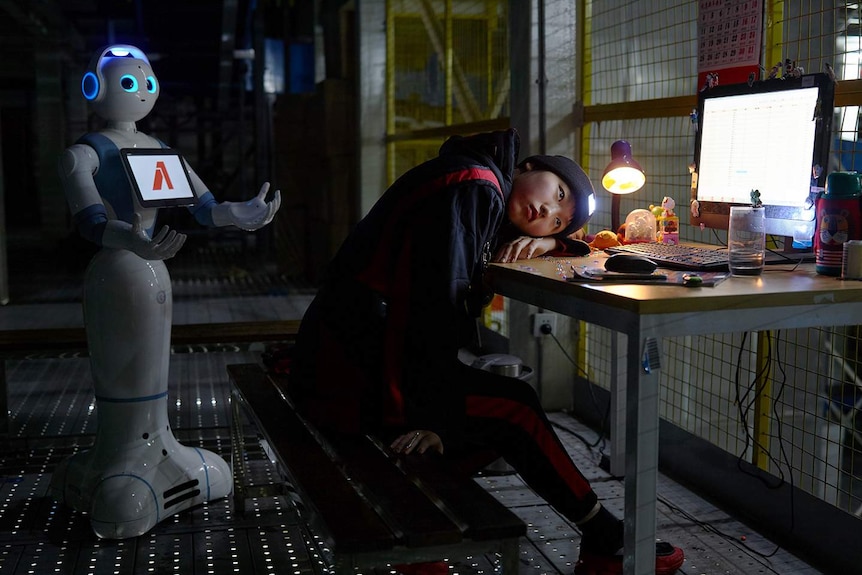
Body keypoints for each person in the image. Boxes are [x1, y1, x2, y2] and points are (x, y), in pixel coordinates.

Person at [289, 128, 684, 574]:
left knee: (505, 408)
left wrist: (554, 241)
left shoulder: (476, 182)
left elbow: (576, 246)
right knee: (513, 409)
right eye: (555, 193)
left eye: (556, 218)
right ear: (528, 167)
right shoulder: (474, 186)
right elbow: (430, 307)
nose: (547, 211)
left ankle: (429, 523)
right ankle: (601, 540)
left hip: (349, 355)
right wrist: (428, 418)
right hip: (354, 371)